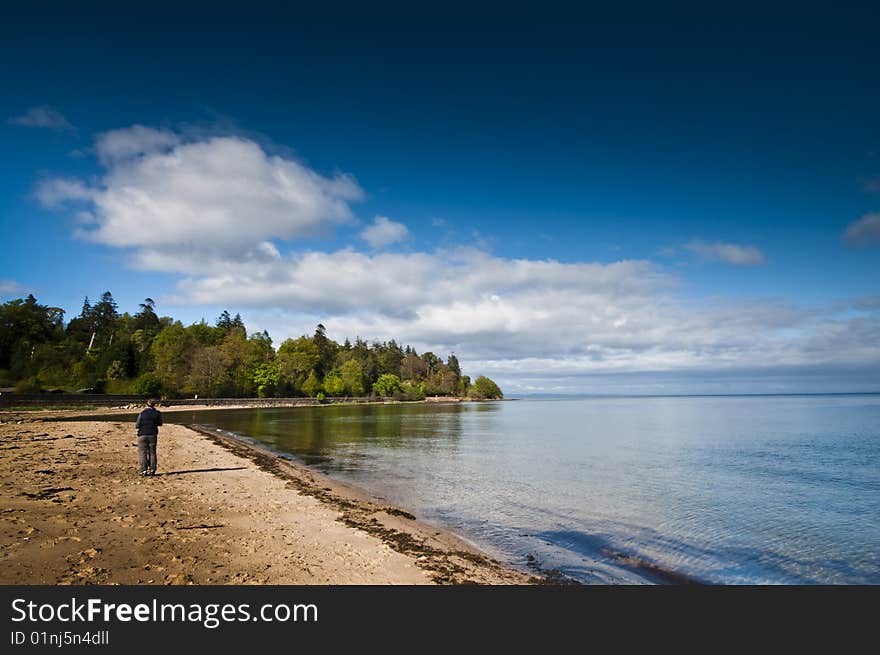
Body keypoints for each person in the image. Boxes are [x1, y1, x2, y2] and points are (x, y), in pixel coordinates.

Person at [135, 399, 163, 477]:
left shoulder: (142, 413)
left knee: (143, 453)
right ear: (154, 405)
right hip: (152, 434)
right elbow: (160, 423)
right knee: (152, 453)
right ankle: (152, 470)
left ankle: (143, 470)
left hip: (142, 434)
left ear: (146, 405)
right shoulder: (157, 413)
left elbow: (137, 425)